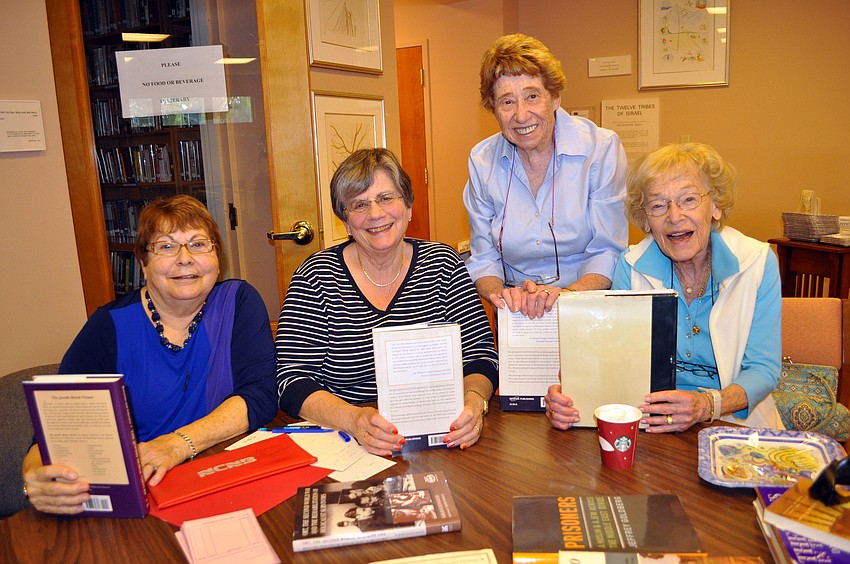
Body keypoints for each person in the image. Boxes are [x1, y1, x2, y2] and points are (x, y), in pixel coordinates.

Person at [22, 195, 277, 514]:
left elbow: (261, 395)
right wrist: (34, 479)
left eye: (199, 244)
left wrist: (178, 444)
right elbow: (54, 428)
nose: (185, 259)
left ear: (217, 256)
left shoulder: (239, 302)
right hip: (142, 491)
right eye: (167, 247)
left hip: (223, 474)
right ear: (143, 263)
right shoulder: (108, 326)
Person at [545, 142, 782, 432]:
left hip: (734, 425)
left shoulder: (756, 263)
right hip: (649, 422)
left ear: (716, 206)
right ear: (645, 219)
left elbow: (763, 370)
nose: (674, 216)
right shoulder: (631, 267)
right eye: (658, 205)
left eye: (689, 200)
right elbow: (608, 358)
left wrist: (707, 404)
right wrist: (569, 392)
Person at [276, 148, 498, 455]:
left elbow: (481, 356)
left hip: (443, 435)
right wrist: (354, 419)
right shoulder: (316, 276)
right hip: (347, 440)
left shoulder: (443, 265)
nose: (376, 214)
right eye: (359, 204)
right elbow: (291, 379)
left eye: (386, 198)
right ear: (345, 220)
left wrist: (475, 402)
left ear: (408, 206)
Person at [463, 33, 628, 319]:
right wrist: (500, 295)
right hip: (516, 308)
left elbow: (607, 250)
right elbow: (484, 256)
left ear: (554, 98)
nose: (522, 115)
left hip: (585, 303)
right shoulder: (482, 161)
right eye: (507, 102)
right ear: (493, 109)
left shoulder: (600, 149)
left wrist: (568, 297)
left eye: (532, 96)